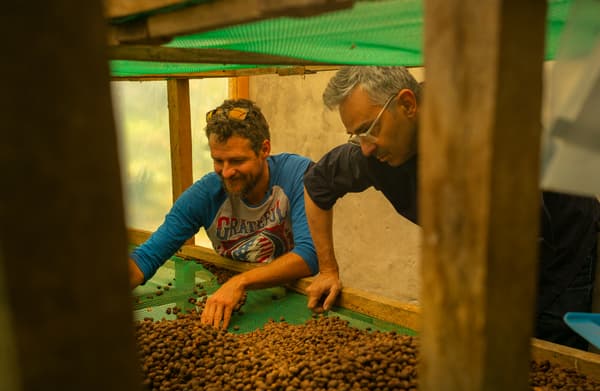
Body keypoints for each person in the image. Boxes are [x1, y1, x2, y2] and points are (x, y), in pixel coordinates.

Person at [303, 66, 600, 350]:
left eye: (369, 129)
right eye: (357, 135)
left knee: (545, 359)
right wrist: (328, 269)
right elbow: (317, 185)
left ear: (407, 105)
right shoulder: (370, 153)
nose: (366, 147)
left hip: (559, 244)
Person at [129, 98, 318, 330]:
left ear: (264, 149)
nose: (226, 172)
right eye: (218, 161)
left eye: (237, 161)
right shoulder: (203, 195)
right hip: (234, 307)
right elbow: (146, 258)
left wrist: (240, 282)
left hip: (293, 301)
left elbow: (309, 255)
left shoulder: (298, 174)